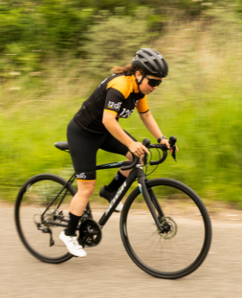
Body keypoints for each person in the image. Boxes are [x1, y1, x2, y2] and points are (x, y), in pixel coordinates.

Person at [59, 48, 175, 257]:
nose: (155, 87)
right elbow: (108, 120)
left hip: (104, 133)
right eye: (153, 82)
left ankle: (111, 191)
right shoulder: (121, 85)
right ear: (138, 74)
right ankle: (68, 233)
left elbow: (146, 116)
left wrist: (162, 139)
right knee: (86, 188)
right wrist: (131, 143)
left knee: (139, 154)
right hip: (83, 134)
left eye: (159, 83)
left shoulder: (139, 89)